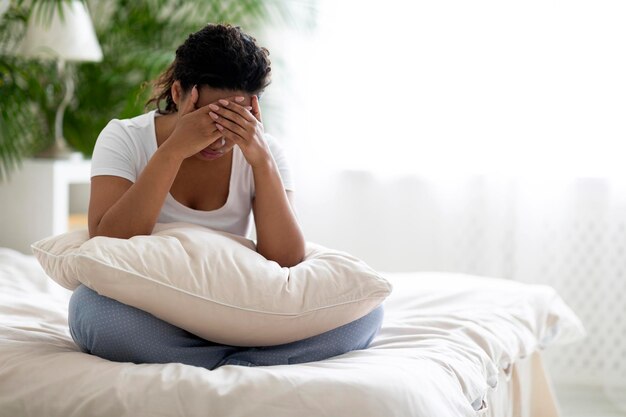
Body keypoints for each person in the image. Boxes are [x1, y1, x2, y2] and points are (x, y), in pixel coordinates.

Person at [68, 23, 384, 370]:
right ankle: (244, 362)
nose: (219, 140)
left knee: (364, 313)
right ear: (178, 92)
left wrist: (261, 161)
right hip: (157, 314)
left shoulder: (265, 153)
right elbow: (106, 239)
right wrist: (173, 151)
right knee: (91, 311)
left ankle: (220, 359)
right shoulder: (124, 138)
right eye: (211, 118)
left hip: (237, 315)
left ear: (254, 109)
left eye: (234, 121)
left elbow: (287, 259)